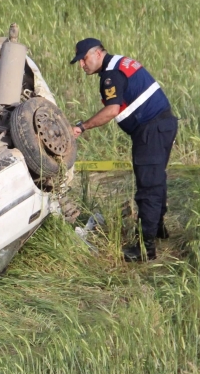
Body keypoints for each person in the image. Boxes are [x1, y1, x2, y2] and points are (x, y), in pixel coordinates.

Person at [70, 38, 178, 262]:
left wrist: (83, 126)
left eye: (84, 59)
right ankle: (158, 229)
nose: (82, 65)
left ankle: (144, 249)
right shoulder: (121, 63)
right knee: (156, 181)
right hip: (163, 125)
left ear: (98, 53)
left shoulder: (111, 75)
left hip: (150, 131)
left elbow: (111, 111)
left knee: (147, 188)